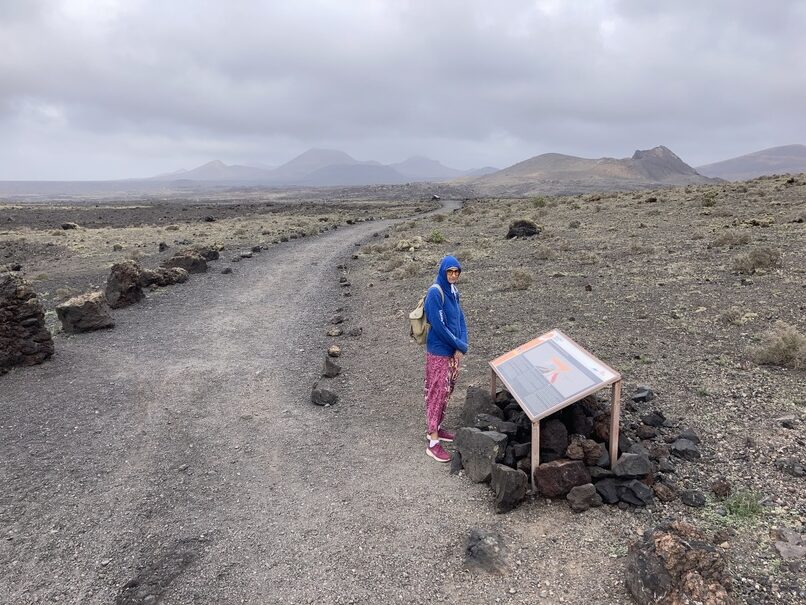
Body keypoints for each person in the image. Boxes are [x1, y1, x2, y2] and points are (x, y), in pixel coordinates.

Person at [423, 255, 468, 462]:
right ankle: (433, 442)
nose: (453, 275)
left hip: (452, 351)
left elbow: (460, 319)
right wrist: (458, 345)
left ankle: (438, 428)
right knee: (436, 392)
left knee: (447, 390)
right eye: (449, 271)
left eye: (456, 271)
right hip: (439, 352)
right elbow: (439, 328)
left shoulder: (453, 291)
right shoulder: (435, 293)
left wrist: (462, 344)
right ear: (443, 271)